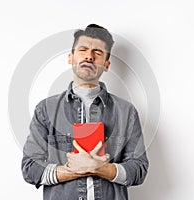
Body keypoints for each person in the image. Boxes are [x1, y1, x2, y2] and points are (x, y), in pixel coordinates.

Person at [21, 24, 149, 200]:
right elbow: (29, 168)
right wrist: (71, 170)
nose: (89, 56)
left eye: (98, 53)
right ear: (71, 58)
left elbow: (139, 169)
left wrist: (101, 168)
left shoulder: (126, 112)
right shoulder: (45, 110)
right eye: (83, 50)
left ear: (106, 64)